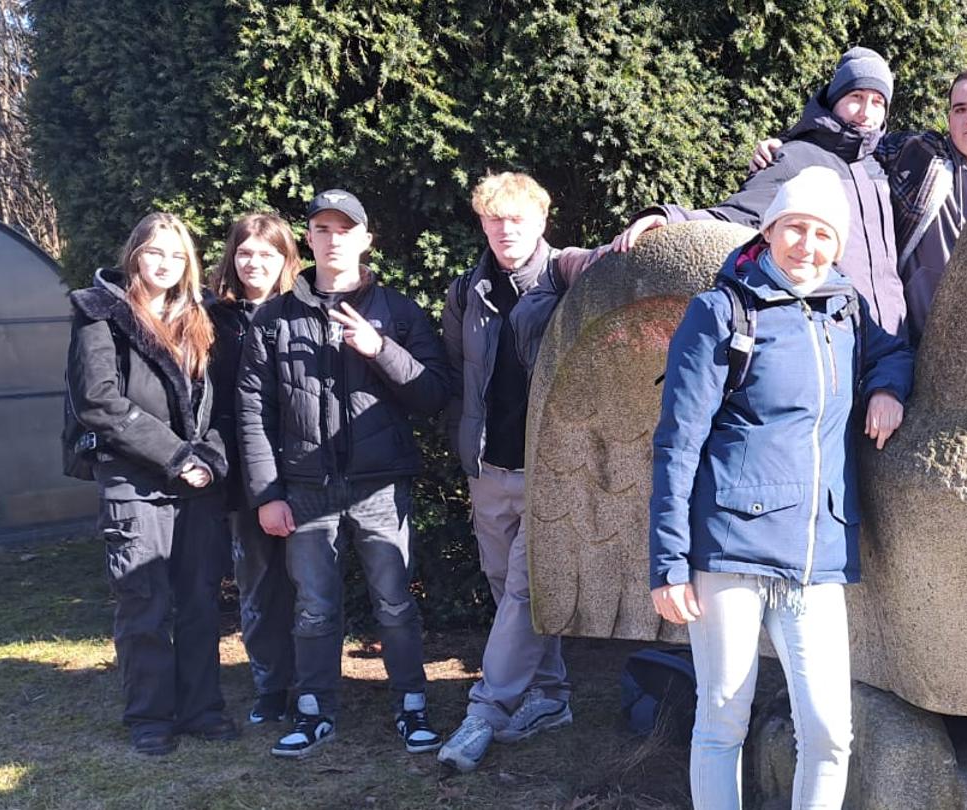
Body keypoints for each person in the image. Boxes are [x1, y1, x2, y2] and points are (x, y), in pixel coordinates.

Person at [648, 167, 914, 810]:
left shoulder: (846, 309)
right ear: (768, 231)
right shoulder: (721, 311)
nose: (807, 245)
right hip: (729, 551)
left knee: (829, 732)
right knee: (722, 722)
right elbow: (677, 443)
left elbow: (893, 351)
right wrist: (668, 565)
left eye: (824, 234)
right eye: (795, 227)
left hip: (818, 554)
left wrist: (887, 388)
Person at [237, 189, 453, 759]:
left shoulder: (398, 311)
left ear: (366, 239)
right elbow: (254, 413)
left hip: (381, 487)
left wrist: (380, 349)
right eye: (323, 229)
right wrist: (267, 494)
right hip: (306, 491)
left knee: (395, 603)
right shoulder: (275, 318)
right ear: (308, 239)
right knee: (314, 607)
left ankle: (411, 706)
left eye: (345, 229)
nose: (334, 240)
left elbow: (434, 395)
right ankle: (314, 711)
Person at [435, 172, 588, 772]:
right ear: (482, 223)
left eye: (517, 218)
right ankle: (550, 697)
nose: (506, 229)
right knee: (508, 590)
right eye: (495, 219)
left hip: (549, 470)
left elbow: (610, 261)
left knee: (525, 589)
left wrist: (655, 223)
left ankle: (486, 711)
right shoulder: (467, 291)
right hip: (488, 467)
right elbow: (457, 374)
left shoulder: (563, 274)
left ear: (541, 220)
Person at [596, 47, 907, 340]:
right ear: (834, 98)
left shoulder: (880, 167)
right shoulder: (797, 158)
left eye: (877, 102)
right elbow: (739, 215)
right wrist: (670, 217)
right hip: (833, 339)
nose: (866, 112)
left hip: (893, 340)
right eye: (856, 97)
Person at [68, 212, 234, 756]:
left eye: (177, 255)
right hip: (133, 479)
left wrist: (208, 459)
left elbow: (225, 404)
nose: (166, 264)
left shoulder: (204, 317)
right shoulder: (100, 314)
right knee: (144, 600)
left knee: (200, 599)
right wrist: (176, 456)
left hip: (198, 480)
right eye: (155, 252)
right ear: (134, 254)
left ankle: (203, 708)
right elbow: (99, 402)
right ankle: (150, 716)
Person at [752, 66, 967, 345]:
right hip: (918, 340)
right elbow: (850, 140)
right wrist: (786, 144)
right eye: (960, 109)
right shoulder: (921, 153)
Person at [206, 212, 303, 728]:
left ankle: (313, 681)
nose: (254, 263)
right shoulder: (213, 320)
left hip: (307, 469)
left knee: (309, 584)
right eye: (245, 252)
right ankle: (271, 685)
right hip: (246, 475)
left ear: (286, 259)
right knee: (259, 583)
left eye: (267, 254)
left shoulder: (305, 312)